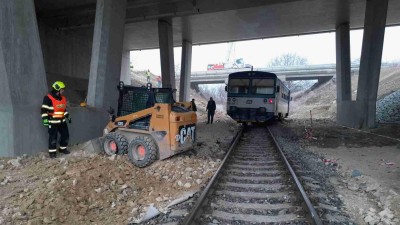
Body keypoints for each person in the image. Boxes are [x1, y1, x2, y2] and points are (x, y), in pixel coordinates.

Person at [41, 81, 71, 158]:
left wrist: (68, 116)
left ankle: (62, 148)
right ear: (57, 89)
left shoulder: (63, 98)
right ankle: (52, 153)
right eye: (62, 89)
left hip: (62, 122)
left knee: (65, 135)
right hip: (52, 122)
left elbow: (63, 110)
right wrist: (45, 119)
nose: (63, 91)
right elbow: (43, 110)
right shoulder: (48, 98)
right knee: (53, 137)